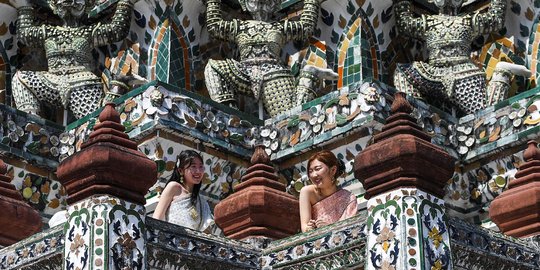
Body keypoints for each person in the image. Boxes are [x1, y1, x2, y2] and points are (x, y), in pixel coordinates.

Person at [9, 0, 134, 119]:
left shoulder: (89, 32)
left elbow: (117, 30)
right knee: (20, 79)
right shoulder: (48, 32)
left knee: (94, 122)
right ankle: (32, 122)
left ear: (88, 5)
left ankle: (115, 92)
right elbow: (24, 34)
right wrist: (24, 6)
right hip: (52, 81)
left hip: (82, 82)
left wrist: (126, 3)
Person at [153, 150, 214, 232]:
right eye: (193, 167)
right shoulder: (174, 187)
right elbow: (156, 220)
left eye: (201, 167)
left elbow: (207, 233)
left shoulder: (202, 202)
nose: (198, 171)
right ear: (181, 171)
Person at [299, 150, 357, 232]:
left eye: (317, 169)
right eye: (310, 171)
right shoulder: (307, 192)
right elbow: (304, 227)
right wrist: (309, 227)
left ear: (333, 170)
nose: (313, 175)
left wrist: (329, 228)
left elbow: (352, 228)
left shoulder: (348, 198)